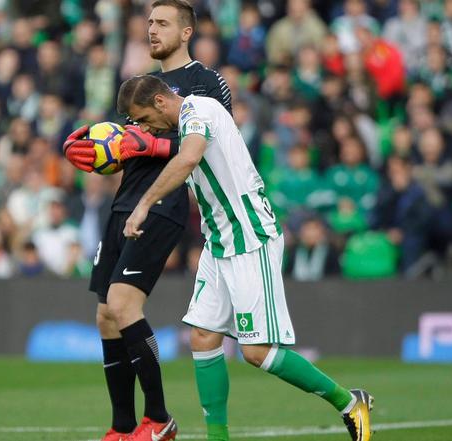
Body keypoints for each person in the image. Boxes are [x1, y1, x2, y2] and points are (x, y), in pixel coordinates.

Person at [117, 74, 373, 441]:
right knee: (203, 337)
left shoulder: (199, 109)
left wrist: (143, 204)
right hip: (219, 241)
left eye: (142, 118)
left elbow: (189, 158)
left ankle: (350, 403)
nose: (144, 127)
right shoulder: (182, 124)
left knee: (255, 351)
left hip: (250, 237)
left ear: (159, 102)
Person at [62, 1, 232, 440]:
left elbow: (211, 146)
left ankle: (158, 419)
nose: (152, 30)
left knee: (123, 305)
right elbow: (130, 147)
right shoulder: (139, 84)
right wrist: (101, 154)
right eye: (150, 22)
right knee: (105, 315)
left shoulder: (205, 83)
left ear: (187, 31)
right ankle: (122, 427)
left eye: (162, 23)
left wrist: (149, 147)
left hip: (164, 203)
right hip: (126, 203)